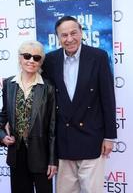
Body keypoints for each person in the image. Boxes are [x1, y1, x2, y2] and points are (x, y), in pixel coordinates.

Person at [42, 16, 117, 193]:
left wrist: (109, 137)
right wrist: (11, 83)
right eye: (64, 35)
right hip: (63, 140)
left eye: (73, 33)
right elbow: (36, 83)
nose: (69, 39)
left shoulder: (98, 56)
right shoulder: (51, 60)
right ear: (57, 38)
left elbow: (107, 98)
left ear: (81, 32)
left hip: (92, 137)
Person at [0, 40, 57, 193]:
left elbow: (53, 127)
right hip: (16, 155)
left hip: (41, 155)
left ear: (41, 62)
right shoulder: (9, 85)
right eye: (27, 56)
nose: (31, 60)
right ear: (20, 58)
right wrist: (2, 136)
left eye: (36, 58)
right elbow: (3, 116)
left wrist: (52, 160)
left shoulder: (48, 87)